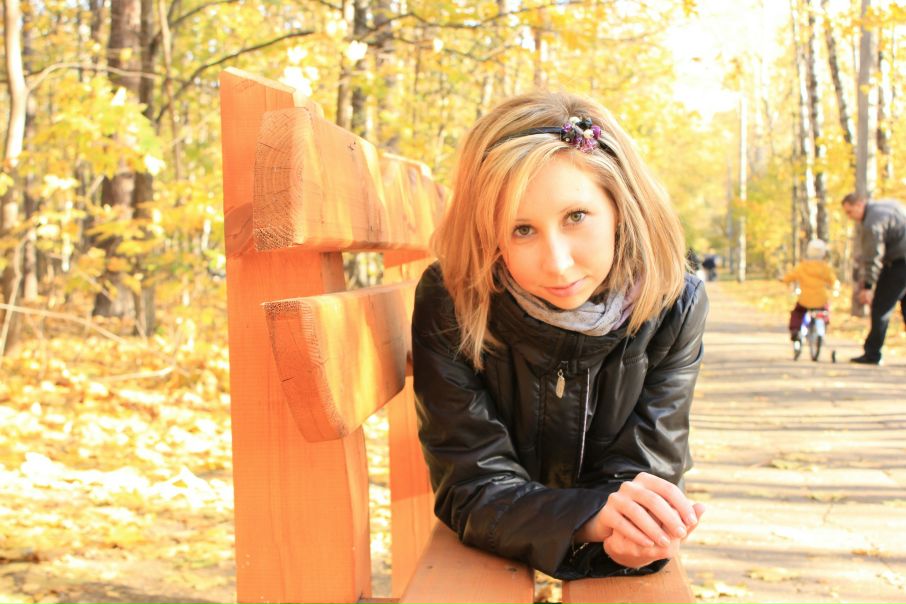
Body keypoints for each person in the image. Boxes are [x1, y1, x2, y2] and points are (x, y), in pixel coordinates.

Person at [412, 91, 708, 581]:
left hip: (547, 526)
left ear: (620, 205)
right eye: (522, 230)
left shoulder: (674, 303)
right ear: (490, 235)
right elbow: (470, 483)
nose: (558, 262)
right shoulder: (452, 301)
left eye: (576, 217)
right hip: (495, 524)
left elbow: (648, 465)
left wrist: (636, 532)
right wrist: (591, 519)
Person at [841, 193, 906, 365]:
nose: (850, 217)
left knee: (881, 308)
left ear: (859, 204)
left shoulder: (872, 222)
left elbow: (873, 255)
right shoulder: (890, 204)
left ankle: (873, 354)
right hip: (900, 260)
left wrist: (868, 286)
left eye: (850, 212)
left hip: (899, 264)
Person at [780, 239, 837, 348]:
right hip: (821, 299)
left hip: (805, 299)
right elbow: (832, 280)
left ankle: (795, 330)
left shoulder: (803, 266)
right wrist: (834, 288)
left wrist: (784, 280)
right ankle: (825, 322)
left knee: (797, 313)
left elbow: (791, 276)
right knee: (825, 311)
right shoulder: (824, 267)